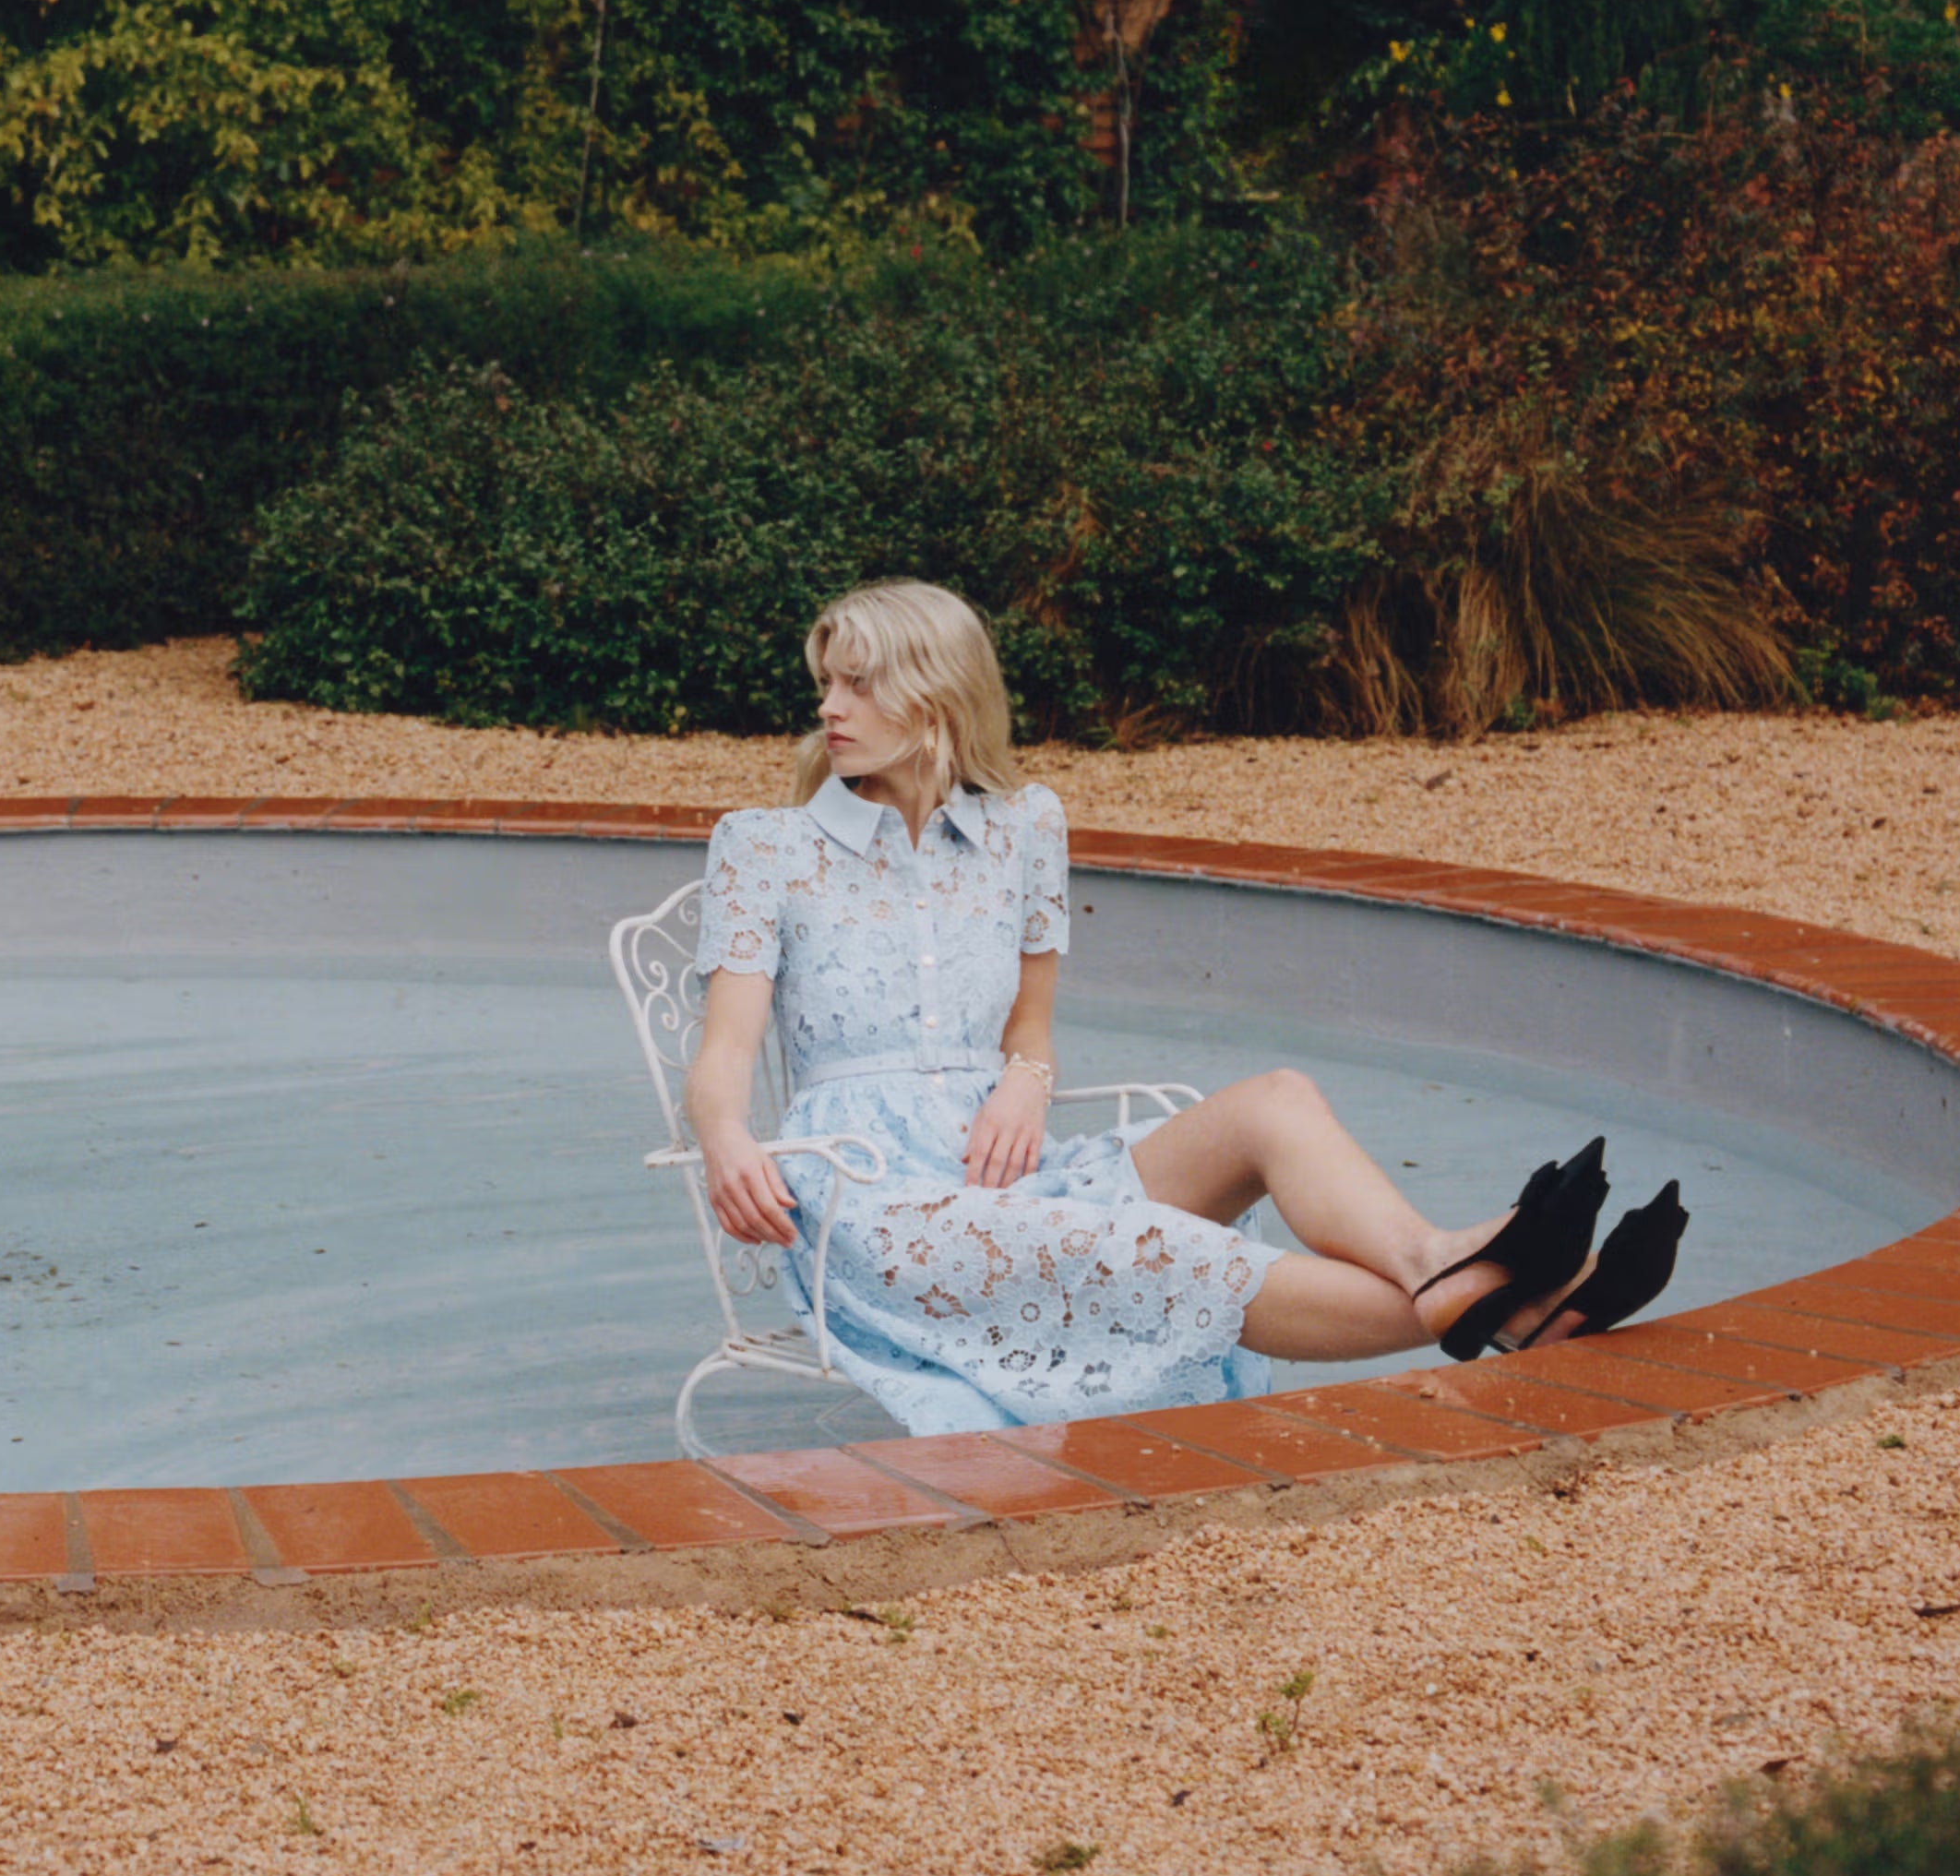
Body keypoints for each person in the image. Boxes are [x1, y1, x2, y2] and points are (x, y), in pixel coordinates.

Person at [683, 580, 1683, 1435]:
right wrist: (727, 1139)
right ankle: (1499, 1296)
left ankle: (1444, 1265)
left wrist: (1026, 1088)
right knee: (1172, 1247)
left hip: (1011, 1165)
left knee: (1275, 1101)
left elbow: (1029, 1032)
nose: (830, 706)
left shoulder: (1024, 828)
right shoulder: (767, 846)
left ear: (935, 694)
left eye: (858, 682)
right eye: (827, 682)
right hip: (878, 1202)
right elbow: (728, 1050)